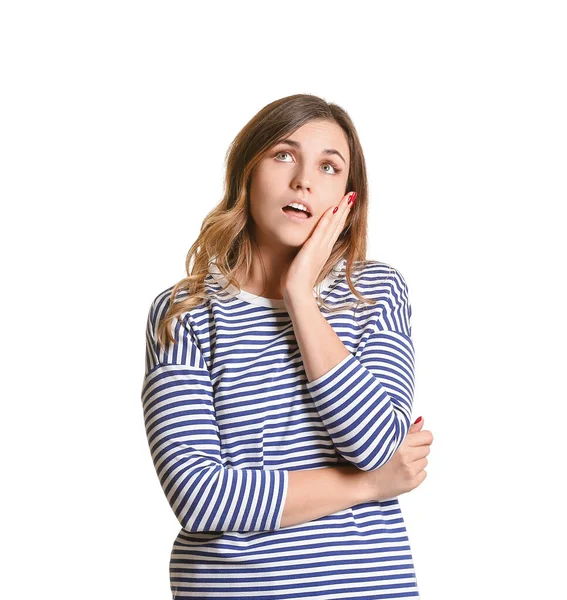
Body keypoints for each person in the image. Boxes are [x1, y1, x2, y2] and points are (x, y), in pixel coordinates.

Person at [141, 93, 434, 599]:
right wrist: (367, 486)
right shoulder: (184, 312)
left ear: (347, 198)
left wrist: (301, 298)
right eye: (283, 155)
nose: (304, 180)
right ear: (247, 171)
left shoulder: (377, 292)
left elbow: (377, 446)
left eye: (328, 166)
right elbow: (200, 497)